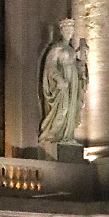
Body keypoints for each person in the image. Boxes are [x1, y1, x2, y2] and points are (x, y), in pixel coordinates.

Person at [38, 18, 88, 146]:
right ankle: (52, 136)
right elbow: (51, 66)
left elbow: (77, 66)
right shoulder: (57, 48)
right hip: (63, 83)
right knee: (63, 109)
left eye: (71, 30)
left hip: (72, 82)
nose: (69, 32)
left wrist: (82, 63)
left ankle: (67, 136)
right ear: (62, 31)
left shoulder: (71, 50)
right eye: (66, 30)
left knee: (71, 110)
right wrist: (59, 79)